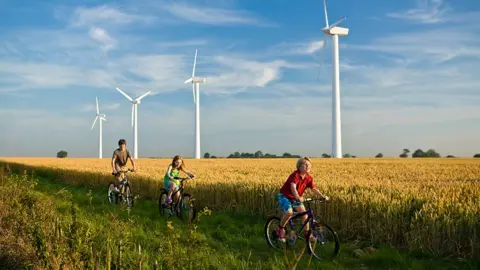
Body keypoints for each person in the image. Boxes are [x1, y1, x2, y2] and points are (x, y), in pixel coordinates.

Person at [275, 157, 329, 242]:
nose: (308, 166)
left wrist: (322, 196)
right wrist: (297, 197)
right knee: (289, 212)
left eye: (309, 165)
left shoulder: (309, 178)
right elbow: (293, 187)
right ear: (299, 166)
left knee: (305, 215)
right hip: (284, 196)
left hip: (296, 199)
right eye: (305, 165)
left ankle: (307, 235)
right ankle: (280, 229)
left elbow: (313, 189)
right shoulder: (295, 175)